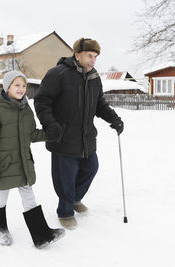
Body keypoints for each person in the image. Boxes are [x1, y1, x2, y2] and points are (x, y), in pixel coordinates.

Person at [34, 37, 124, 230]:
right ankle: (65, 211)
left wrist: (114, 119)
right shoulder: (58, 74)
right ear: (77, 55)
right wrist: (51, 125)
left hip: (86, 137)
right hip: (63, 136)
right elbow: (42, 101)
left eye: (95, 57)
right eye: (89, 55)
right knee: (65, 176)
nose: (93, 60)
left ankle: (74, 199)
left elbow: (99, 104)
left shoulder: (94, 78)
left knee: (91, 167)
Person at [0, 70, 65, 248]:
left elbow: (31, 134)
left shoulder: (26, 110)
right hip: (3, 166)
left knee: (29, 197)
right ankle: (0, 229)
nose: (21, 89)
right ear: (7, 87)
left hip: (24, 164)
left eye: (24, 86)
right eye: (17, 85)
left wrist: (49, 134)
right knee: (1, 197)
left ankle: (41, 236)